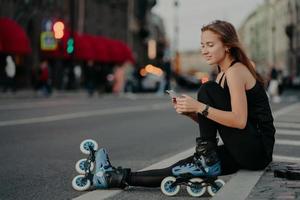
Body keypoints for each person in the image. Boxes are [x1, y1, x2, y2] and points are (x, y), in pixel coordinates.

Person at [84, 20, 275, 190]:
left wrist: (199, 107)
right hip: (247, 148)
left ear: (227, 46)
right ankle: (115, 177)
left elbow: (239, 121)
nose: (204, 50)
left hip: (257, 150)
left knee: (206, 90)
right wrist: (191, 112)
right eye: (202, 45)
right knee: (179, 168)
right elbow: (219, 122)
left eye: (210, 45)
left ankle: (206, 157)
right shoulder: (223, 75)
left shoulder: (236, 71)